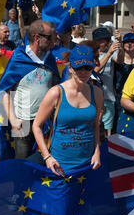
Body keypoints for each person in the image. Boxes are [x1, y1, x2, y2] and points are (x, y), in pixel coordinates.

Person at [31, 44, 104, 176]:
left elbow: (95, 126)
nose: (83, 72)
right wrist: (47, 157)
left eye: (87, 68)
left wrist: (97, 151)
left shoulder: (97, 93)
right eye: (78, 68)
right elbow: (36, 126)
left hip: (88, 165)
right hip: (59, 165)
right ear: (70, 67)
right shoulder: (56, 93)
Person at [1, 19, 60, 159]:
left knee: (44, 162)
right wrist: (13, 119)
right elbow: (4, 91)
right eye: (50, 37)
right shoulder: (19, 57)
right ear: (37, 38)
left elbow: (57, 86)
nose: (54, 41)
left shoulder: (50, 58)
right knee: (22, 165)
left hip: (46, 121)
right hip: (23, 123)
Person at [92, 27, 123, 136]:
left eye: (106, 39)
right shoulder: (90, 54)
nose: (104, 43)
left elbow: (120, 60)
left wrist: (120, 43)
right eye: (101, 40)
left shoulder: (110, 53)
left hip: (108, 98)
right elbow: (94, 70)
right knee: (94, 129)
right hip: (92, 99)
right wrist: (109, 53)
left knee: (107, 132)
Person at [113, 33, 134, 129]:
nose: (129, 44)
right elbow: (119, 60)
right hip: (120, 95)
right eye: (126, 42)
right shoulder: (118, 58)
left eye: (132, 42)